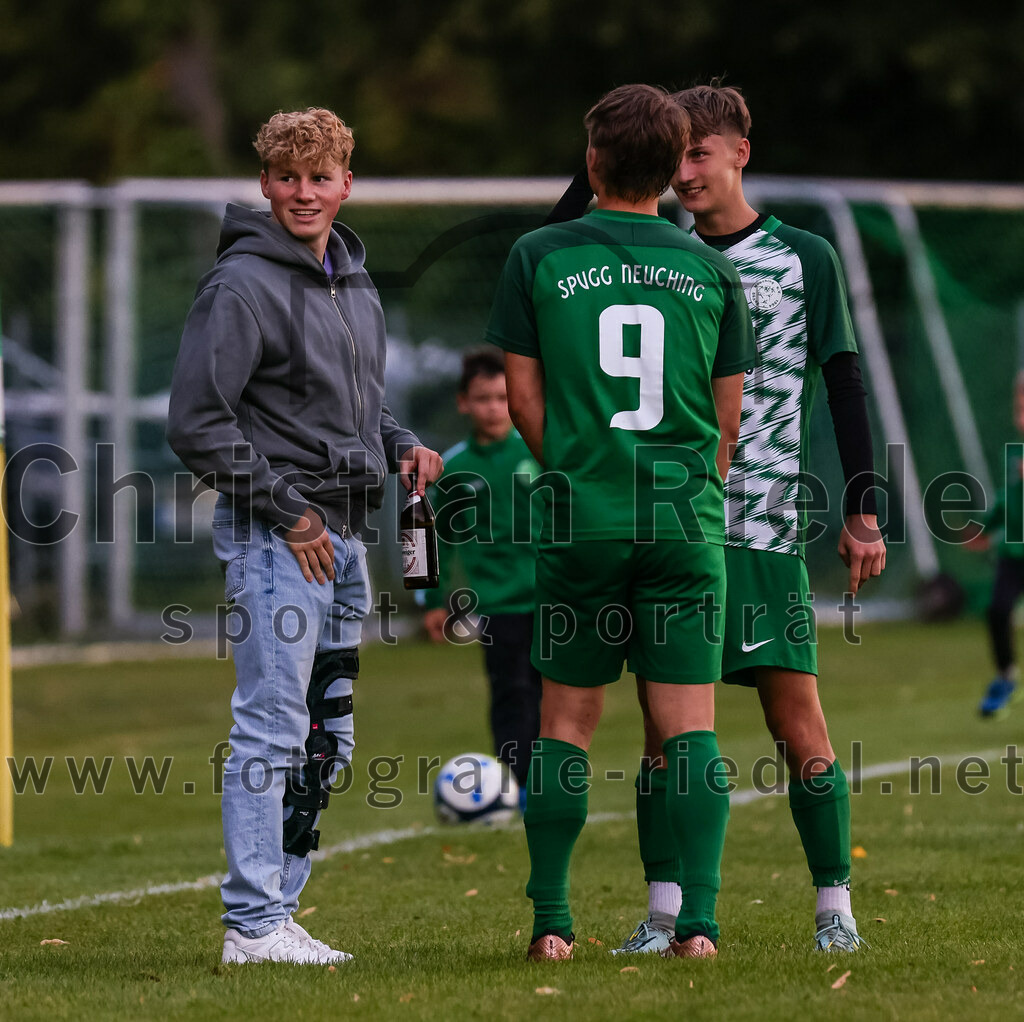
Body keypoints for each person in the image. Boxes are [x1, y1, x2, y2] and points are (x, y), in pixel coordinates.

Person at [564, 83, 883, 955]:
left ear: (743, 151)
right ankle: (665, 913)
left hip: (766, 524)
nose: (685, 171)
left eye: (700, 153)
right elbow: (568, 219)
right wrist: (603, 156)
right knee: (667, 727)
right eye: (673, 156)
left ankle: (835, 910)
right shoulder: (649, 253)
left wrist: (865, 505)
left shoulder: (804, 256)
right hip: (668, 524)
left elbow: (845, 380)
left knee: (796, 720)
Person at [167, 107, 443, 965]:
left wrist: (397, 444)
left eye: (319, 177)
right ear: (265, 183)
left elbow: (354, 400)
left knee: (328, 732)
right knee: (273, 727)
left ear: (346, 182)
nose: (303, 193)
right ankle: (251, 924)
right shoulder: (242, 285)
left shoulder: (349, 276)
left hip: (346, 537)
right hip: (279, 539)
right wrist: (289, 511)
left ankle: (276, 914)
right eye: (287, 177)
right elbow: (197, 422)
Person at [487, 83, 756, 961]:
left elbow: (523, 398)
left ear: (593, 162)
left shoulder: (538, 254)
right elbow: (727, 423)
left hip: (581, 517)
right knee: (690, 729)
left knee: (564, 723)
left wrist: (573, 472)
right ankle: (700, 926)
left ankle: (553, 924)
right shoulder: (714, 267)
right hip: (683, 520)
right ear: (675, 169)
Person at [420, 347, 542, 799]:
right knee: (511, 695)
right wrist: (433, 603)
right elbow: (434, 541)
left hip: (555, 600)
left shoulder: (540, 452)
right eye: (484, 398)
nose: (494, 407)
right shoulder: (454, 469)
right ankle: (516, 788)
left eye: (502, 397)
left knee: (557, 698)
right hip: (498, 603)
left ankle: (555, 788)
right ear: (463, 402)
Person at [968, 371, 1024, 717]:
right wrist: (985, 528)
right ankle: (1006, 678)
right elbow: (1009, 500)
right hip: (1014, 554)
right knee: (997, 610)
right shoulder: (1015, 454)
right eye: (1018, 407)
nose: (1020, 417)